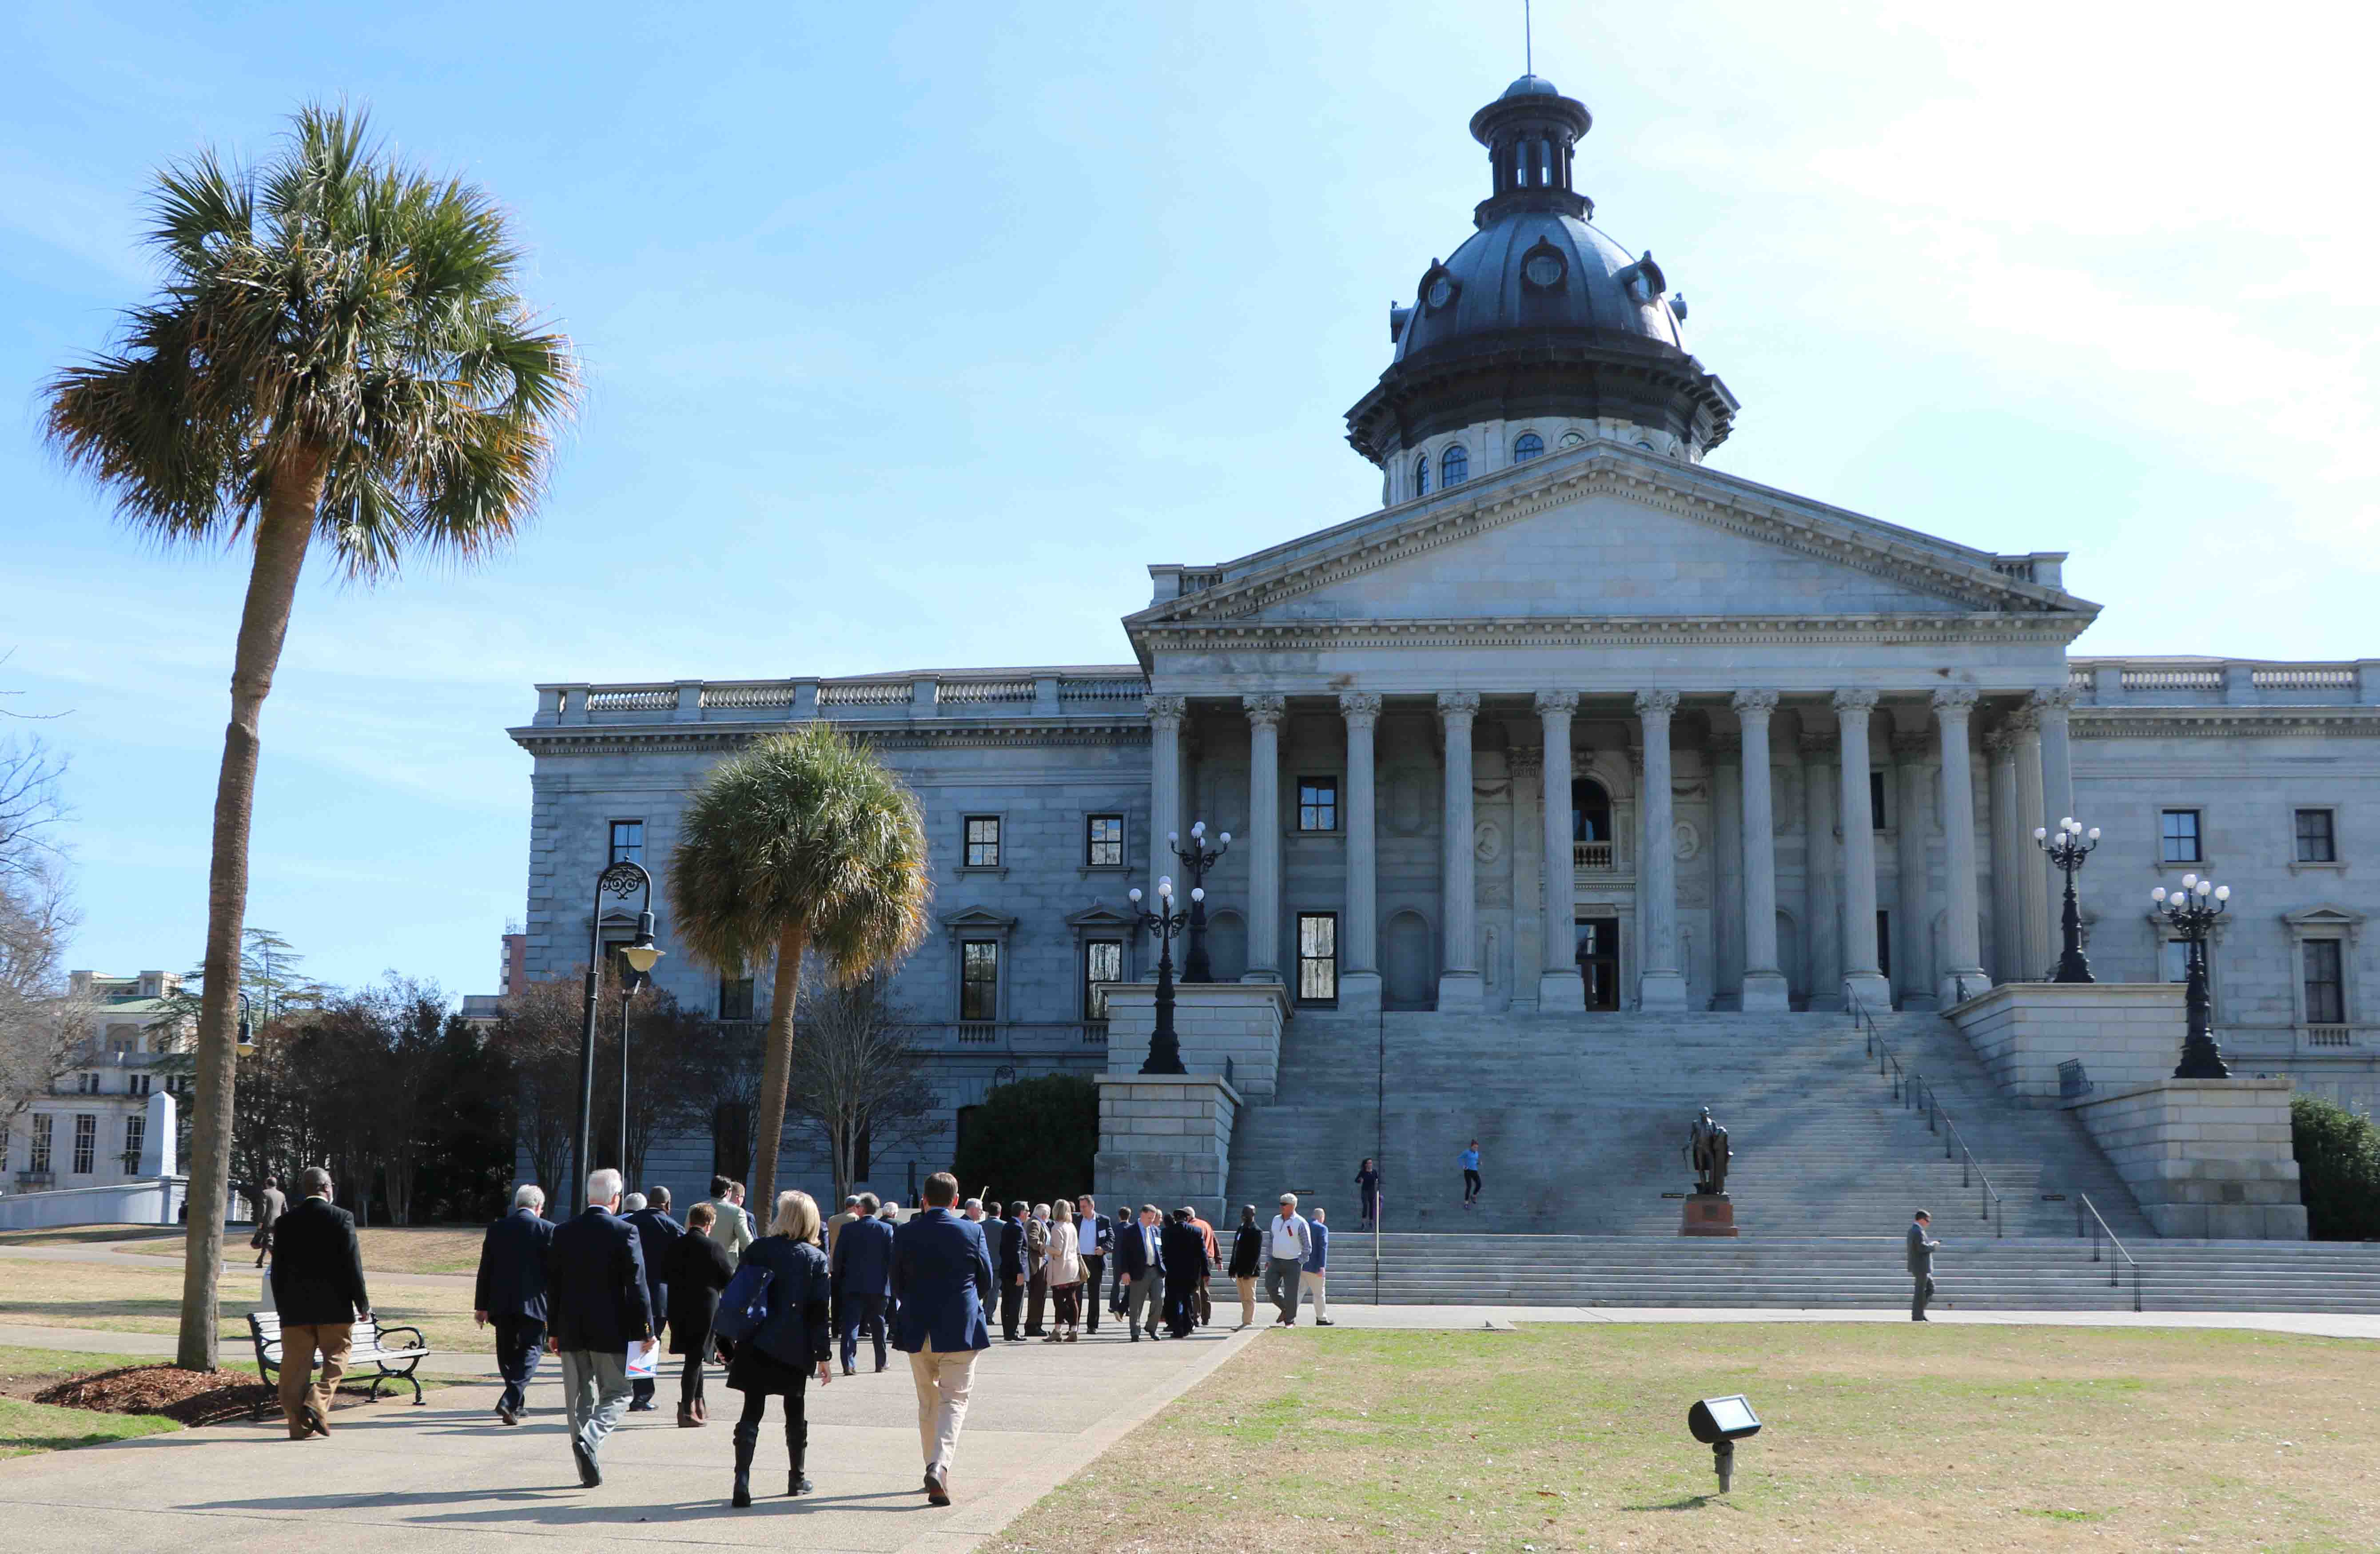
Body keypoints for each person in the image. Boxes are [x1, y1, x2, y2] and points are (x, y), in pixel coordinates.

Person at [545, 1168, 655, 1488]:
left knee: (579, 1400)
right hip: (612, 1329)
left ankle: (585, 1467)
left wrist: (553, 1328)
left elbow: (553, 1284)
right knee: (620, 1392)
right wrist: (647, 1329)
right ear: (616, 1198)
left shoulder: (563, 1231)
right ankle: (591, 1440)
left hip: (571, 1328)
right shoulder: (625, 1231)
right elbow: (637, 1285)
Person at [723, 1190, 833, 1506]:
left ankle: (741, 1480)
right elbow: (818, 1313)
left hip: (756, 1340)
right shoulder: (815, 1258)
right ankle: (796, 1477)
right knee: (795, 1411)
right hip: (793, 1344)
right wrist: (823, 1355)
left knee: (751, 1411)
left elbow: (738, 1293)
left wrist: (727, 1339)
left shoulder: (759, 1248)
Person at [893, 1171, 994, 1508]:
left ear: (924, 1199)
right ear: (955, 1201)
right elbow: (986, 1279)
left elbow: (897, 1282)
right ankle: (940, 1465)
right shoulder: (972, 1230)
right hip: (959, 1328)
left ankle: (931, 1466)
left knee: (928, 1402)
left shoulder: (905, 1232)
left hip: (918, 1326)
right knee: (954, 1401)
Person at [267, 1166, 370, 1440]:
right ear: (327, 1187)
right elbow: (353, 1265)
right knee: (337, 1357)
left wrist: (282, 1308)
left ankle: (298, 1428)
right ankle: (317, 1401)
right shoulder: (342, 1218)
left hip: (295, 1310)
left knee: (293, 1371)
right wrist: (362, 1303)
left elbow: (277, 1271)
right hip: (334, 1307)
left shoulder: (286, 1223)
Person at [473, 1183, 554, 1425]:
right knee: (531, 1351)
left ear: (517, 1204)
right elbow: (554, 1273)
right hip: (535, 1305)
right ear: (539, 1206)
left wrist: (481, 1306)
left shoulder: (497, 1229)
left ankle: (514, 1402)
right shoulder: (548, 1229)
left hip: (501, 1304)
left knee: (507, 1356)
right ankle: (511, 1401)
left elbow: (485, 1270)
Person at [667, 1202, 733, 1426]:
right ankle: (687, 1410)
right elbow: (728, 1279)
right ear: (709, 1224)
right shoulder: (713, 1247)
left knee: (696, 1356)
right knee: (695, 1358)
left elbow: (665, 1272)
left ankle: (698, 1402)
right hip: (704, 1307)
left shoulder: (675, 1245)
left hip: (678, 1305)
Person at [624, 1186, 683, 1412]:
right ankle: (641, 1395)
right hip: (658, 1294)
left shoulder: (631, 1222)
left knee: (634, 1341)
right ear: (668, 1205)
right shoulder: (672, 1227)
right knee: (648, 1342)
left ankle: (628, 1391)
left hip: (630, 1291)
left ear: (648, 1202)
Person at [833, 1191, 896, 1375]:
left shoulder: (848, 1230)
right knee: (878, 1326)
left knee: (851, 1325)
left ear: (861, 1209)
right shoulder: (886, 1230)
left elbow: (838, 1259)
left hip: (852, 1285)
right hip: (878, 1286)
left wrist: (841, 1279)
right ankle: (880, 1362)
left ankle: (849, 1364)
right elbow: (891, 1258)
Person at [1159, 1208, 1209, 1339]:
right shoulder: (1196, 1231)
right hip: (1191, 1272)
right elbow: (1203, 1253)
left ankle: (1177, 1328)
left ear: (1175, 1219)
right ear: (1187, 1218)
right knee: (1188, 1298)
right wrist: (1206, 1272)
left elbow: (1164, 1252)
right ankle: (1188, 1325)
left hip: (1173, 1271)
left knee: (1175, 1299)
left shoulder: (1166, 1232)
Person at [1116, 1204, 1163, 1340]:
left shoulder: (1155, 1230)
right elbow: (1123, 1253)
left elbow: (1159, 1249)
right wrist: (1125, 1272)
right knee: (1136, 1303)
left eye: (1153, 1218)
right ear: (1142, 1215)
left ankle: (1152, 1327)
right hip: (1138, 1271)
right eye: (1150, 1218)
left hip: (1156, 1271)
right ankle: (1135, 1332)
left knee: (1159, 1299)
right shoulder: (1131, 1230)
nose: (1152, 1221)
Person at [1266, 1193, 1313, 1327]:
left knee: (1291, 1292)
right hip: (1275, 1260)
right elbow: (1271, 1239)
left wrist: (1300, 1261)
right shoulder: (1276, 1219)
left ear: (1292, 1206)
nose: (1281, 1206)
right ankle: (1286, 1310)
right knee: (1270, 1287)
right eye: (1281, 1204)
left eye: (1284, 1204)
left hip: (1293, 1262)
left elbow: (1307, 1245)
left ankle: (1290, 1320)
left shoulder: (1300, 1222)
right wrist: (1269, 1258)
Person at [1043, 1200, 1083, 1342]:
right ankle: (1074, 1331)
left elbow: (1058, 1251)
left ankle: (1058, 1330)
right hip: (1073, 1267)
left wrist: (1045, 1247)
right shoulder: (1071, 1226)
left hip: (1061, 1269)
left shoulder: (1057, 1228)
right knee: (1072, 1300)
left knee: (1058, 1301)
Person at [1075, 1196, 1110, 1336]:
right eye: (1080, 1207)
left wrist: (1104, 1249)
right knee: (1075, 1295)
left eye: (1084, 1207)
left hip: (1095, 1261)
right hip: (1079, 1260)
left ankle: (1092, 1326)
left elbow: (1111, 1238)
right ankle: (1074, 1325)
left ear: (1092, 1206)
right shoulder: (1076, 1219)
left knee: (1094, 1295)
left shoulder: (1103, 1220)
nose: (1081, 1209)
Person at [994, 1201, 1029, 1342]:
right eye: (1027, 1210)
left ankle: (1008, 1332)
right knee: (1016, 1303)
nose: (1029, 1213)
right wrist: (1020, 1272)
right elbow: (1017, 1252)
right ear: (1021, 1212)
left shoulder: (1008, 1225)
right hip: (1016, 1272)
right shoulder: (1018, 1228)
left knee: (1007, 1302)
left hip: (1006, 1270)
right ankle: (1013, 1331)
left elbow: (1004, 1250)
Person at [704, 1174, 754, 1268]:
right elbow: (747, 1243)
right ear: (728, 1192)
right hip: (726, 1266)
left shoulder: (695, 1208)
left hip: (700, 1264)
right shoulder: (737, 1212)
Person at [1227, 1204, 1264, 1329]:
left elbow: (1256, 1254)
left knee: (1249, 1298)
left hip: (1249, 1272)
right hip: (1239, 1270)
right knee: (1243, 1298)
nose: (1243, 1215)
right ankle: (1245, 1321)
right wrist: (1232, 1268)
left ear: (1253, 1215)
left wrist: (1250, 1271)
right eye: (1243, 1212)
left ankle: (1248, 1323)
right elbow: (1235, 1249)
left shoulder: (1256, 1231)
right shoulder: (1241, 1229)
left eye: (1247, 1213)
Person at [1186, 1206, 1219, 1326]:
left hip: (1198, 1259)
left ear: (1188, 1216)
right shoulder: (1206, 1224)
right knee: (1205, 1289)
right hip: (1209, 1258)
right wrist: (1218, 1259)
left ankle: (1196, 1316)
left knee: (1195, 1289)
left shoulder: (1194, 1226)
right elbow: (1215, 1241)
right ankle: (1207, 1317)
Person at [1023, 1203, 1052, 1337]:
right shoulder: (1036, 1223)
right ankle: (1033, 1326)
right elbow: (1032, 1240)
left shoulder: (1037, 1222)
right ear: (1045, 1215)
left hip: (1041, 1264)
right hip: (1038, 1265)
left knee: (1039, 1296)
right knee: (1037, 1296)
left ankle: (1036, 1325)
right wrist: (1045, 1248)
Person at [1302, 1206, 1333, 1326]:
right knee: (1319, 1294)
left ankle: (1290, 1316)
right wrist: (1322, 1266)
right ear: (1322, 1217)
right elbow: (1323, 1248)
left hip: (1301, 1265)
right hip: (1315, 1267)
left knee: (1298, 1293)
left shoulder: (1303, 1225)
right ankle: (1321, 1318)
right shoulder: (1322, 1228)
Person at [1908, 1209, 1941, 1322]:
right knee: (1920, 1293)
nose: (1928, 1223)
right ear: (1922, 1220)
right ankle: (1917, 1317)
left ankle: (1919, 1313)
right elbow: (1921, 1248)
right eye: (1927, 1220)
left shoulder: (1917, 1230)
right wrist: (1933, 1246)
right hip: (1920, 1267)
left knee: (1930, 1288)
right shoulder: (1917, 1231)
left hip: (1922, 1267)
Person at [250, 1176, 288, 1269]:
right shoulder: (282, 1195)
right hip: (278, 1222)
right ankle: (260, 1261)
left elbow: (263, 1210)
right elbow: (285, 1210)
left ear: (267, 1184)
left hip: (268, 1221)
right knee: (267, 1241)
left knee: (269, 1243)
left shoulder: (265, 1193)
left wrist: (260, 1223)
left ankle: (280, 1260)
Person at [825, 1195, 862, 1259]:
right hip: (849, 1259)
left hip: (833, 1258)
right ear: (856, 1206)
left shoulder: (832, 1219)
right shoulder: (856, 1218)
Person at [1355, 1157, 1382, 1230]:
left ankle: (1371, 1222)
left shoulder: (1374, 1172)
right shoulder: (1363, 1172)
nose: (1371, 1164)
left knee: (1372, 1207)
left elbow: (1378, 1179)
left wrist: (1377, 1181)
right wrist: (1360, 1180)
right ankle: (1363, 1223)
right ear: (1366, 1165)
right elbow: (1357, 1180)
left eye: (1371, 1163)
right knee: (1365, 1206)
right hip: (1365, 1191)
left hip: (1372, 1191)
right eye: (1369, 1163)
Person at [1459, 1140, 1482, 1209]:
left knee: (1479, 1184)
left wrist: (1478, 1163)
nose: (1476, 1149)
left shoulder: (1477, 1153)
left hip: (1475, 1171)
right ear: (1471, 1146)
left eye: (1477, 1148)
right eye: (1475, 1147)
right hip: (1468, 1171)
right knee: (1469, 1187)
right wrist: (1463, 1166)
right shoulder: (1466, 1152)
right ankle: (1466, 1203)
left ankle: (1473, 1196)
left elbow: (1474, 1161)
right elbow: (1460, 1159)